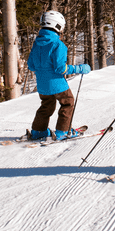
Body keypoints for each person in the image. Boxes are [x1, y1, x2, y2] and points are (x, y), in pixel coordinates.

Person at [27, 10, 91, 141]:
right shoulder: (57, 44)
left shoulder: (36, 43)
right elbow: (60, 68)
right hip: (57, 84)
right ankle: (63, 131)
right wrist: (80, 68)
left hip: (42, 85)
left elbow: (31, 66)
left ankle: (38, 131)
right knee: (68, 103)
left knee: (46, 105)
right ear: (58, 26)